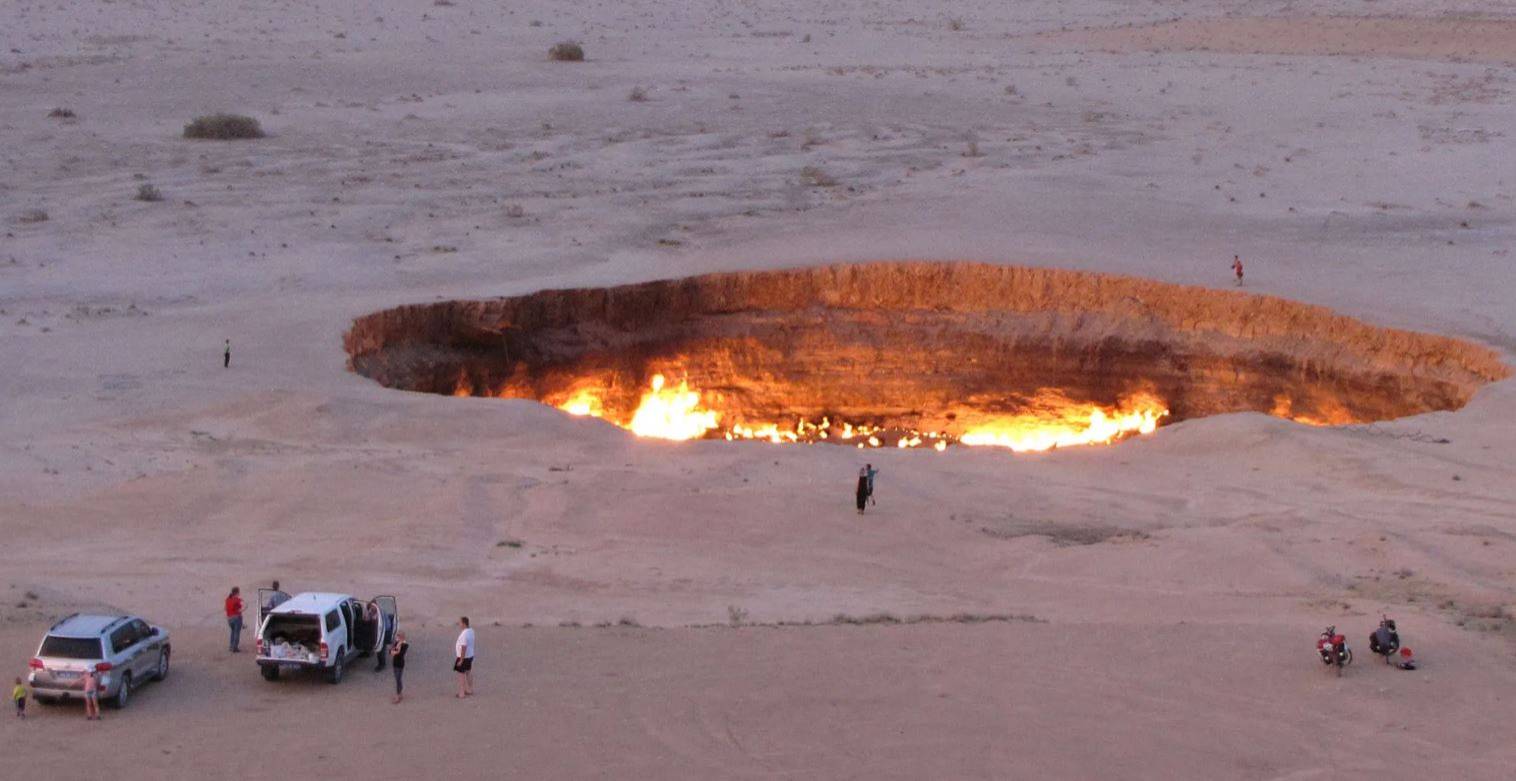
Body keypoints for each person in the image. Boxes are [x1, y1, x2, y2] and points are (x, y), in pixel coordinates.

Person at [454, 617, 475, 698]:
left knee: (461, 674)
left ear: (464, 623)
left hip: (463, 657)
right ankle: (469, 690)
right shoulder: (471, 631)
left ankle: (461, 693)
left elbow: (463, 647)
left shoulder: (464, 634)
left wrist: (461, 660)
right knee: (468, 672)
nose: (459, 624)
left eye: (460, 623)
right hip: (470, 655)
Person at [390, 631, 409, 704]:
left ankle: (398, 694)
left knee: (398, 679)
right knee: (397, 678)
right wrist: (394, 651)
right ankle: (400, 693)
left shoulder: (405, 645)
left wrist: (395, 651)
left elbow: (400, 654)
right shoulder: (396, 643)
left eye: (399, 637)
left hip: (400, 664)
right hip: (395, 663)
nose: (397, 638)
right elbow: (391, 651)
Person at [225, 586, 244, 653]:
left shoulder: (227, 599)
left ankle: (231, 646)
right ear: (236, 592)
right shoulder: (237, 600)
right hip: (236, 618)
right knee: (236, 633)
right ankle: (235, 647)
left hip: (229, 618)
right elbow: (242, 606)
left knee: (232, 632)